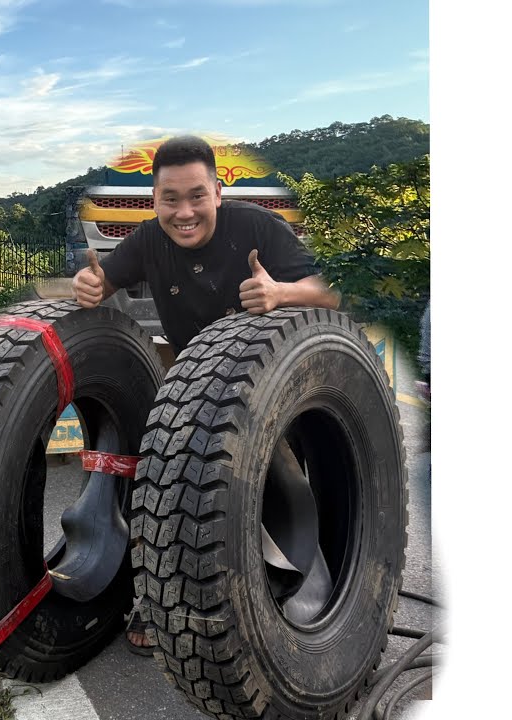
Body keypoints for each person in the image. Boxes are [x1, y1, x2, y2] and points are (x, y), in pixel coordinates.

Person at [71, 135, 340, 653]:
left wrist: (281, 293)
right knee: (166, 482)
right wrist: (89, 283)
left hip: (269, 390)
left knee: (264, 491)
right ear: (155, 201)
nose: (184, 212)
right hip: (194, 391)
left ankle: (291, 596)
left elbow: (330, 290)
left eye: (197, 195)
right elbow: (102, 282)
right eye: (170, 198)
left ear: (218, 191)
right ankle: (159, 596)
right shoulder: (150, 239)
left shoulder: (258, 227)